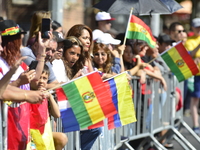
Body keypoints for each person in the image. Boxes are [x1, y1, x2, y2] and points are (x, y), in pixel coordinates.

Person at [62, 36, 101, 150]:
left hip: (73, 109)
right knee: (94, 129)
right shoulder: (59, 64)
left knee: (96, 129)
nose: (75, 57)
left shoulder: (75, 67)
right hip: (63, 113)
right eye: (72, 53)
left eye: (78, 55)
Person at [30, 64, 68, 150]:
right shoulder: (25, 92)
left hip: (43, 133)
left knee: (62, 138)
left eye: (44, 78)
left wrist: (50, 96)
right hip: (30, 134)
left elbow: (57, 114)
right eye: (39, 77)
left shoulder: (45, 95)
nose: (41, 81)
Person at [185, 18, 200, 135]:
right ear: (193, 28)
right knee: (195, 100)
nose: (199, 30)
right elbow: (190, 55)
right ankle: (196, 125)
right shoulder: (189, 41)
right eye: (197, 27)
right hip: (196, 75)